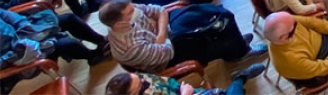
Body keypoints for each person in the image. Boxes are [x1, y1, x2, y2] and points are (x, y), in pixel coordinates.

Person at [99, 0, 267, 72]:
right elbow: (166, 52)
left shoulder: (126, 11)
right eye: (131, 11)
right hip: (169, 57)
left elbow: (158, 10)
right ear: (119, 23)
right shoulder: (129, 47)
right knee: (215, 29)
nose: (136, 9)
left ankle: (236, 46)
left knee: (221, 15)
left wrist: (160, 34)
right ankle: (240, 51)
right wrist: (162, 28)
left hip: (167, 35)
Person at [0, 6, 110, 90]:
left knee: (69, 19)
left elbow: (6, 15)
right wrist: (17, 50)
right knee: (67, 44)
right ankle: (93, 56)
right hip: (19, 58)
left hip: (26, 33)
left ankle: (101, 40)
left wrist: (27, 28)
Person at [104, 63, 265, 95]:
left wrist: (183, 90)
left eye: (140, 78)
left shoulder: (138, 78)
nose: (145, 81)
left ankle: (239, 80)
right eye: (140, 87)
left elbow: (168, 83)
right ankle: (239, 79)